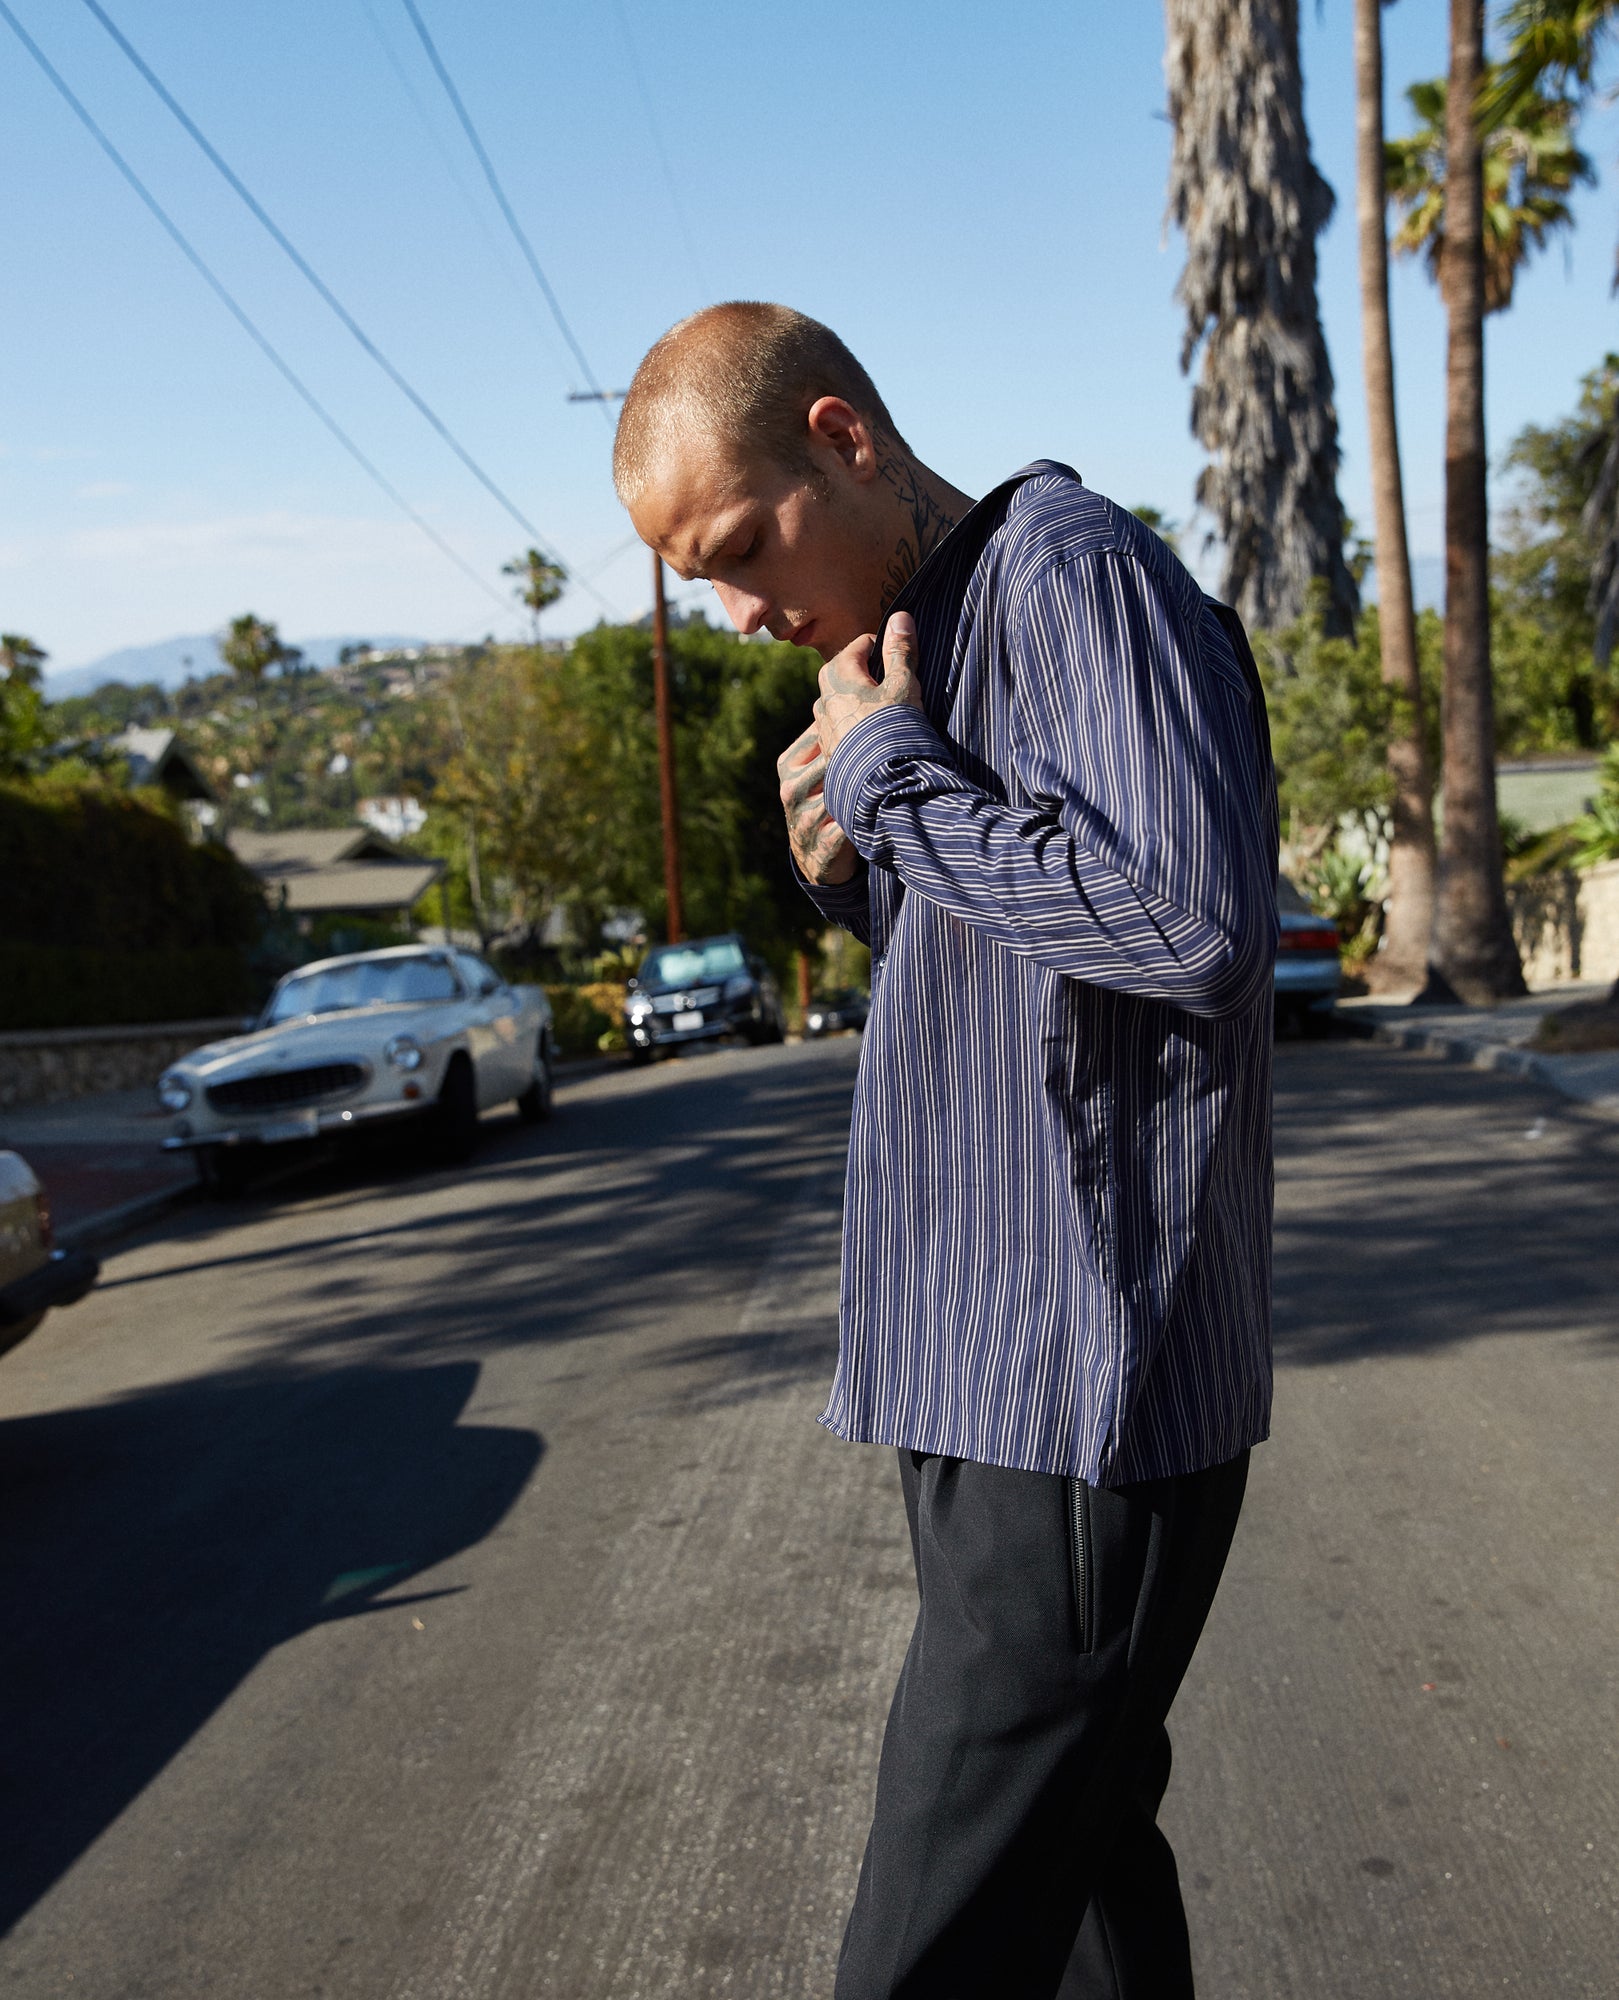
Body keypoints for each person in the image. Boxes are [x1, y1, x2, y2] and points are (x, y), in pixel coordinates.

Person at [615, 302, 1278, 2000]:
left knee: (931, 1941)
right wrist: (850, 855)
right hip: (979, 1374)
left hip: (1080, 1384)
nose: (747, 610)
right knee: (1076, 1875)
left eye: (746, 547)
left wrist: (897, 780)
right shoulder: (925, 637)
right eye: (705, 583)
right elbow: (1013, 946)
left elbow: (1192, 926)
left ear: (845, 438)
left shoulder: (1070, 575)